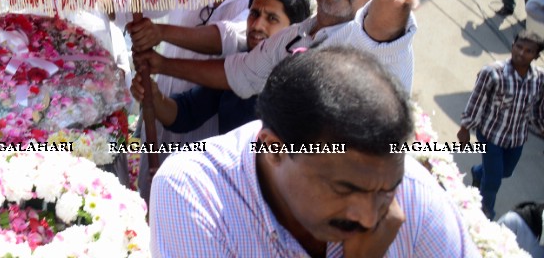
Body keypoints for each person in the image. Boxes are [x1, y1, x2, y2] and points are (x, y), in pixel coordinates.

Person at [149, 46, 478, 256]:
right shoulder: (193, 193)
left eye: (386, 192)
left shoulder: (415, 193)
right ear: (274, 149)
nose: (369, 217)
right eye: (344, 189)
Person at [134, 0, 418, 100]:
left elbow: (384, 27)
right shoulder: (294, 36)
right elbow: (241, 72)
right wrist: (161, 63)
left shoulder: (364, 37)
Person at [139, 0, 312, 137]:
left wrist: (160, 43)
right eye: (254, 14)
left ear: (293, 30)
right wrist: (153, 96)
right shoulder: (236, 65)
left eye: (272, 18)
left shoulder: (303, 77)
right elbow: (184, 113)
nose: (257, 25)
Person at [459, 32, 544, 219]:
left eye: (529, 51)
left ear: (536, 56)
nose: (521, 53)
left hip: (517, 137)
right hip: (491, 135)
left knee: (505, 172)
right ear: (513, 45)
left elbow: (537, 109)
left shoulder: (539, 79)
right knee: (493, 181)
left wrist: (541, 128)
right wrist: (465, 128)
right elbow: (476, 102)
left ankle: (478, 171)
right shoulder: (492, 72)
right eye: (519, 47)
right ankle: (485, 216)